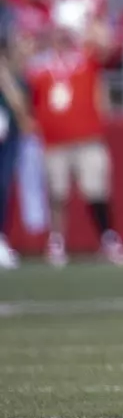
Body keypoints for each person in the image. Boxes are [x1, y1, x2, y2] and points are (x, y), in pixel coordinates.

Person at [27, 25, 123, 267]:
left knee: (96, 191)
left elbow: (109, 50)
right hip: (54, 141)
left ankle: (108, 237)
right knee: (57, 193)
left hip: (87, 138)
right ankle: (57, 241)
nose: (62, 42)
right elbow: (28, 96)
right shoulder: (40, 68)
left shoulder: (85, 61)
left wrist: (95, 28)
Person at [0, 45, 35, 269]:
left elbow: (23, 112)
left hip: (8, 142)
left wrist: (6, 81)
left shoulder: (15, 81)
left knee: (2, 186)